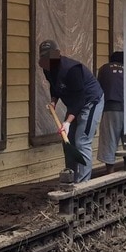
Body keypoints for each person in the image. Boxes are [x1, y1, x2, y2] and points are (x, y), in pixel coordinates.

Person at [37, 39, 104, 183]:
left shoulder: (72, 69)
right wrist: (53, 101)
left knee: (82, 141)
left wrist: (67, 122)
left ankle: (84, 184)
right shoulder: (47, 68)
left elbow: (80, 99)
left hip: (90, 101)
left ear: (57, 54)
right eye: (44, 56)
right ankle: (71, 178)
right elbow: (54, 86)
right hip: (75, 103)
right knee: (67, 140)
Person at [95, 50, 126, 170]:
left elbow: (98, 90)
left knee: (109, 141)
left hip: (110, 108)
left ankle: (110, 172)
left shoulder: (103, 69)